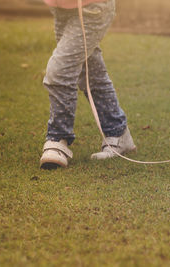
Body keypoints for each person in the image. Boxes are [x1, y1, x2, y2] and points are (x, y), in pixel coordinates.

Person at [40, 0, 136, 169]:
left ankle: (58, 138)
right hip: (60, 8)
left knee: (59, 71)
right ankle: (117, 132)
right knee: (91, 73)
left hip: (92, 8)